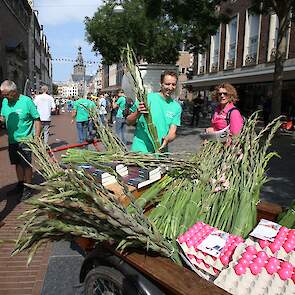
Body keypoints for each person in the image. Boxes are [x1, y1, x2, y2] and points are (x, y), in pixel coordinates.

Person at [0, 80, 41, 199]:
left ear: (14, 92)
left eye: (6, 94)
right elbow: (3, 117)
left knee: (26, 165)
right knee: (17, 163)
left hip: (26, 139)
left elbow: (37, 120)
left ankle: (28, 187)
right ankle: (20, 184)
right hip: (12, 139)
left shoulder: (26, 101)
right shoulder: (5, 102)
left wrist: (36, 139)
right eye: (3, 95)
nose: (5, 97)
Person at [126, 70, 182, 153]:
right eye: (167, 84)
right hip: (141, 151)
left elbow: (172, 132)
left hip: (160, 152)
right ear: (161, 83)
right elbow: (128, 121)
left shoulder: (176, 107)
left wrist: (167, 139)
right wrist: (138, 112)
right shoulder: (147, 99)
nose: (170, 88)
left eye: (173, 84)